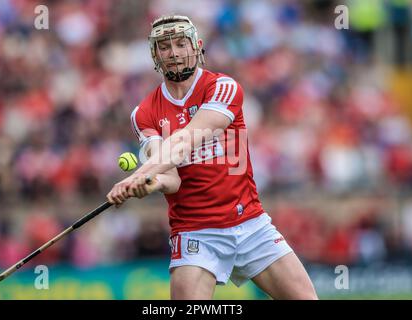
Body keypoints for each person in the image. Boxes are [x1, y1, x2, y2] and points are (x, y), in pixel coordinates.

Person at [107, 15, 318, 300]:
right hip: (195, 232)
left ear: (197, 47)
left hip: (250, 222)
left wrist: (138, 173)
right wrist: (148, 184)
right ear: (155, 55)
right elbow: (171, 179)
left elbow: (185, 141)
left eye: (181, 44)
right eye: (165, 47)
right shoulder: (143, 114)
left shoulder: (224, 88)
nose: (174, 53)